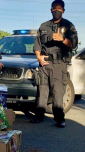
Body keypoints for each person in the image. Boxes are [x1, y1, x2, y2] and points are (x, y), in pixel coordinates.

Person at [31, 0, 78, 128]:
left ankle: (59, 119)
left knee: (58, 92)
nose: (56, 11)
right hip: (45, 63)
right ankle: (39, 116)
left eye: (59, 9)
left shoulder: (69, 26)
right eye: (54, 8)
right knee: (42, 90)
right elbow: (37, 45)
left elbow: (73, 44)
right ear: (51, 10)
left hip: (59, 64)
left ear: (63, 10)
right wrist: (39, 57)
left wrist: (63, 39)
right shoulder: (44, 26)